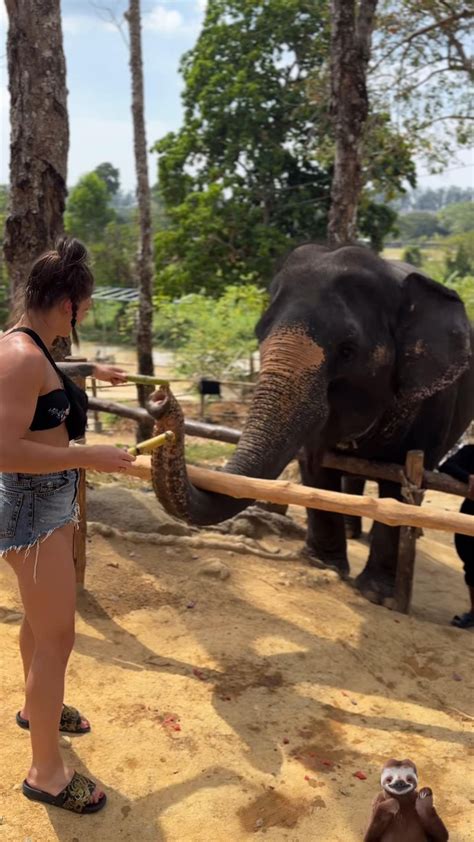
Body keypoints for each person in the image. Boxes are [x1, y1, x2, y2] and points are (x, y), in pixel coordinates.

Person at [0, 236, 136, 814]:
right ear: (67, 305)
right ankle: (46, 773)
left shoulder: (30, 344)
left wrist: (89, 368)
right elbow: (4, 450)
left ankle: (37, 709)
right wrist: (89, 455)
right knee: (58, 638)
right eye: (86, 304)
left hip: (45, 504)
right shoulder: (20, 357)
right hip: (32, 511)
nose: (87, 312)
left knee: (41, 626)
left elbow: (43, 380)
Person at [439, 443, 474, 629]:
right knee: (472, 566)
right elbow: (445, 465)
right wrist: (468, 477)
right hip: (469, 519)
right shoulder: (470, 452)